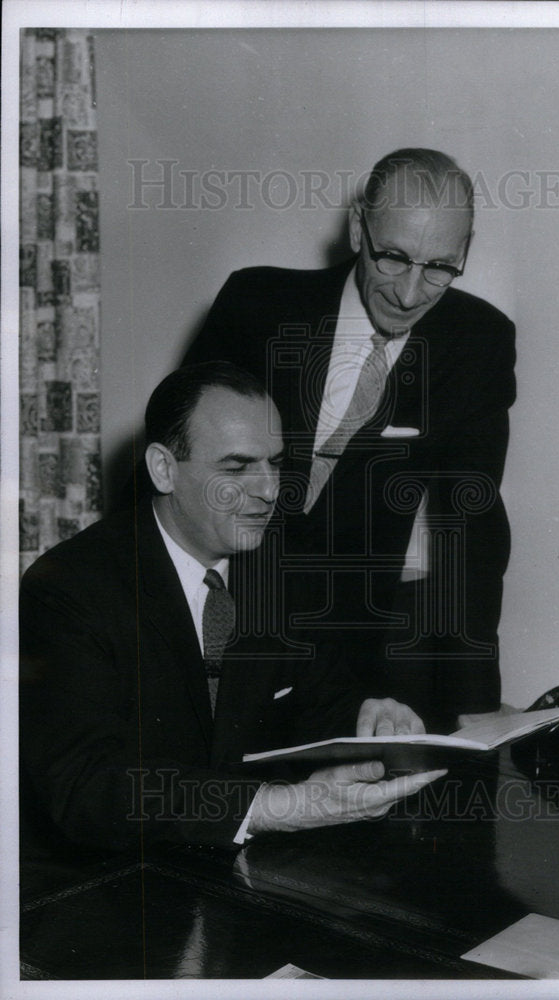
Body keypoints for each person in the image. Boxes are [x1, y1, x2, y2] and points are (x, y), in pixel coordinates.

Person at [19, 362, 444, 857]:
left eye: (275, 463)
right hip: (115, 881)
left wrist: (370, 722)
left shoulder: (285, 567)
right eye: (238, 468)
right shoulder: (70, 587)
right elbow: (85, 786)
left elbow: (320, 703)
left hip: (247, 868)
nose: (269, 491)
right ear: (164, 469)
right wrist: (275, 807)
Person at [183, 148, 516, 730]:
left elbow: (474, 525)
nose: (411, 294)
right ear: (359, 229)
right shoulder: (255, 305)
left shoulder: (478, 341)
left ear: (465, 252)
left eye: (440, 266)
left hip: (366, 643)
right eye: (393, 258)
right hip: (234, 617)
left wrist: (476, 703)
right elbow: (174, 464)